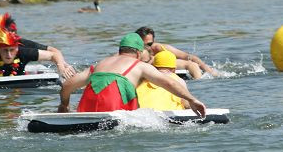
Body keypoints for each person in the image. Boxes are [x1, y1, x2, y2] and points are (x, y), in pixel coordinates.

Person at [58, 32, 206, 116]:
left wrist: (64, 106)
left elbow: (66, 86)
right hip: (114, 109)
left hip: (86, 107)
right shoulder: (140, 66)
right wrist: (191, 99)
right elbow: (168, 82)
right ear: (138, 52)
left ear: (121, 49)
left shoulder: (100, 64)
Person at [135, 26, 218, 78]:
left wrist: (208, 71)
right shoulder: (132, 52)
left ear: (154, 41)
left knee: (192, 64)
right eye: (144, 45)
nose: (147, 47)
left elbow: (191, 58)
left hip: (169, 69)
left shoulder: (160, 48)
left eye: (150, 44)